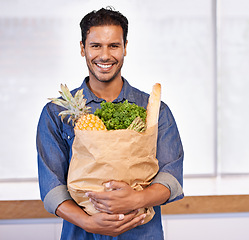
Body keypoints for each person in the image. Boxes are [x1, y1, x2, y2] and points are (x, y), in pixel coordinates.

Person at [36, 7, 184, 239]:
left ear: (125, 48)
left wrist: (137, 199)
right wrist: (89, 222)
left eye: (113, 45)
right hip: (81, 233)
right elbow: (51, 187)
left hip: (141, 233)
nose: (105, 55)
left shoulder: (154, 110)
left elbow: (171, 176)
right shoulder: (56, 112)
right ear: (83, 49)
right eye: (96, 46)